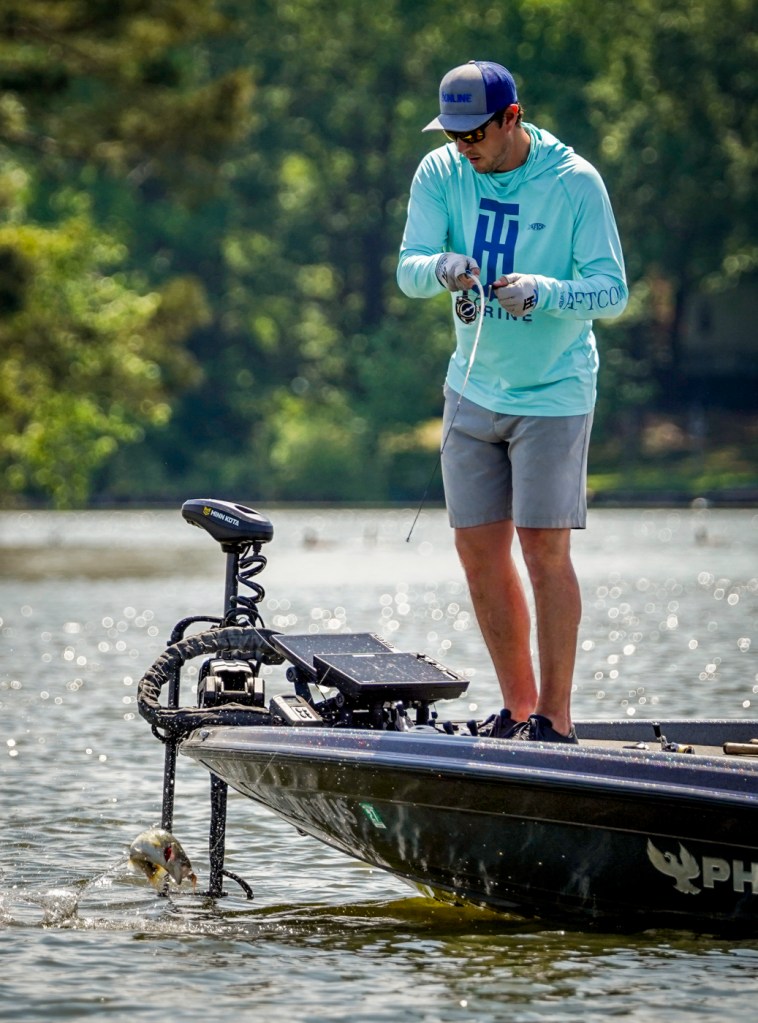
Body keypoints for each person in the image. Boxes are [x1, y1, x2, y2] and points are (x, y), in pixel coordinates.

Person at [397, 60, 628, 743]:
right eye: (452, 133)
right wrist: (440, 267)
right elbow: (409, 269)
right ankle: (519, 710)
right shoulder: (441, 172)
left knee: (543, 550)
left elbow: (612, 290)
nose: (462, 146)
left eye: (474, 133)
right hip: (471, 388)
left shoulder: (574, 182)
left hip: (554, 392)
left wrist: (544, 292)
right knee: (478, 552)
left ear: (511, 119)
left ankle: (555, 721)